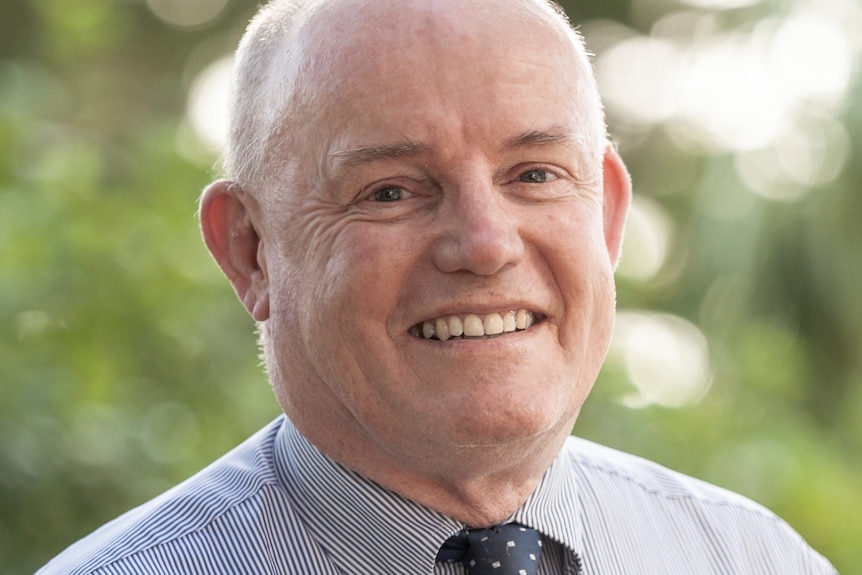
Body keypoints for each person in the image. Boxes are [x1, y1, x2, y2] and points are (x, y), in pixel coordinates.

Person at [38, 0, 836, 573]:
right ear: (250, 251)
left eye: (534, 174)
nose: (484, 245)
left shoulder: (751, 556)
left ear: (608, 215)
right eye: (390, 190)